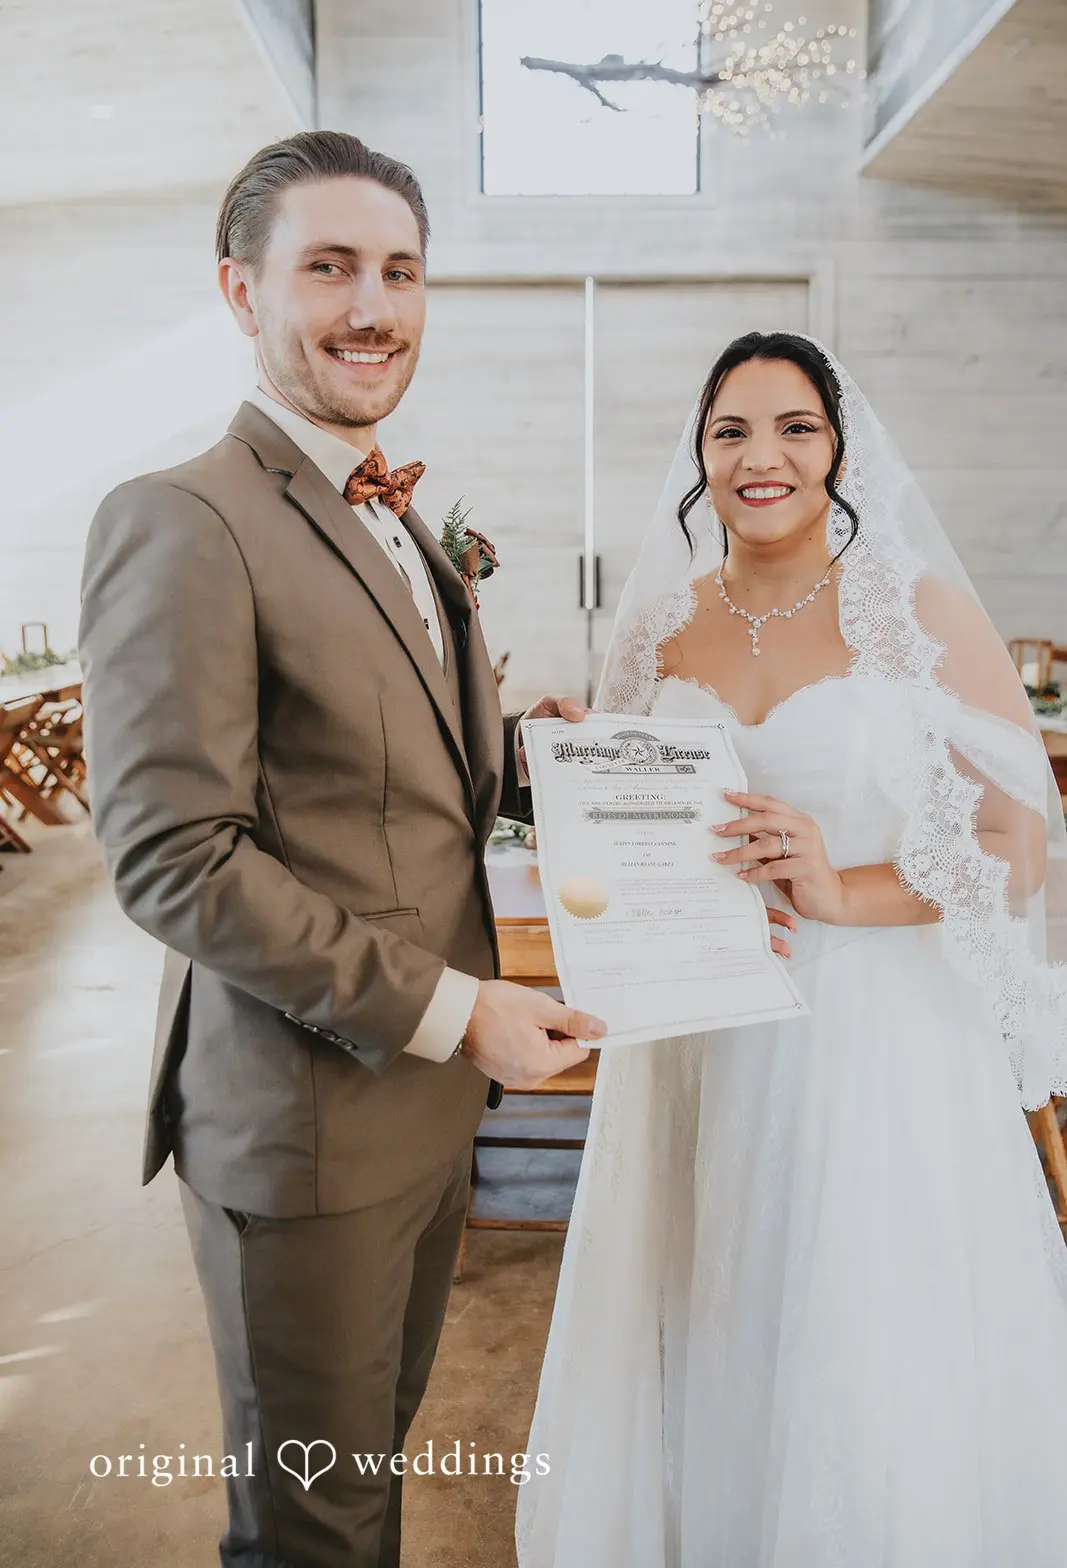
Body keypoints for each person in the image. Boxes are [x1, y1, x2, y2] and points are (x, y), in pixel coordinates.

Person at [79, 130, 606, 1568]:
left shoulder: (393, 514)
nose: (372, 305)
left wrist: (531, 752)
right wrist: (456, 1010)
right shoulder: (183, 519)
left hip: (430, 1113)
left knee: (368, 1487)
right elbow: (174, 854)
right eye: (328, 267)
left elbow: (390, 771)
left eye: (398, 270)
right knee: (315, 1528)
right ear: (242, 291)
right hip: (304, 1125)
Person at [516, 332, 1067, 1566]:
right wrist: (576, 760)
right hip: (701, 1038)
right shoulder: (660, 628)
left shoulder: (917, 611)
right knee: (711, 1307)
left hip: (872, 1039)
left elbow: (1017, 843)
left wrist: (838, 884)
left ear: (837, 449)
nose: (759, 456)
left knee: (861, 1331)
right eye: (730, 432)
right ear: (699, 457)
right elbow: (630, 829)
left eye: (792, 428)